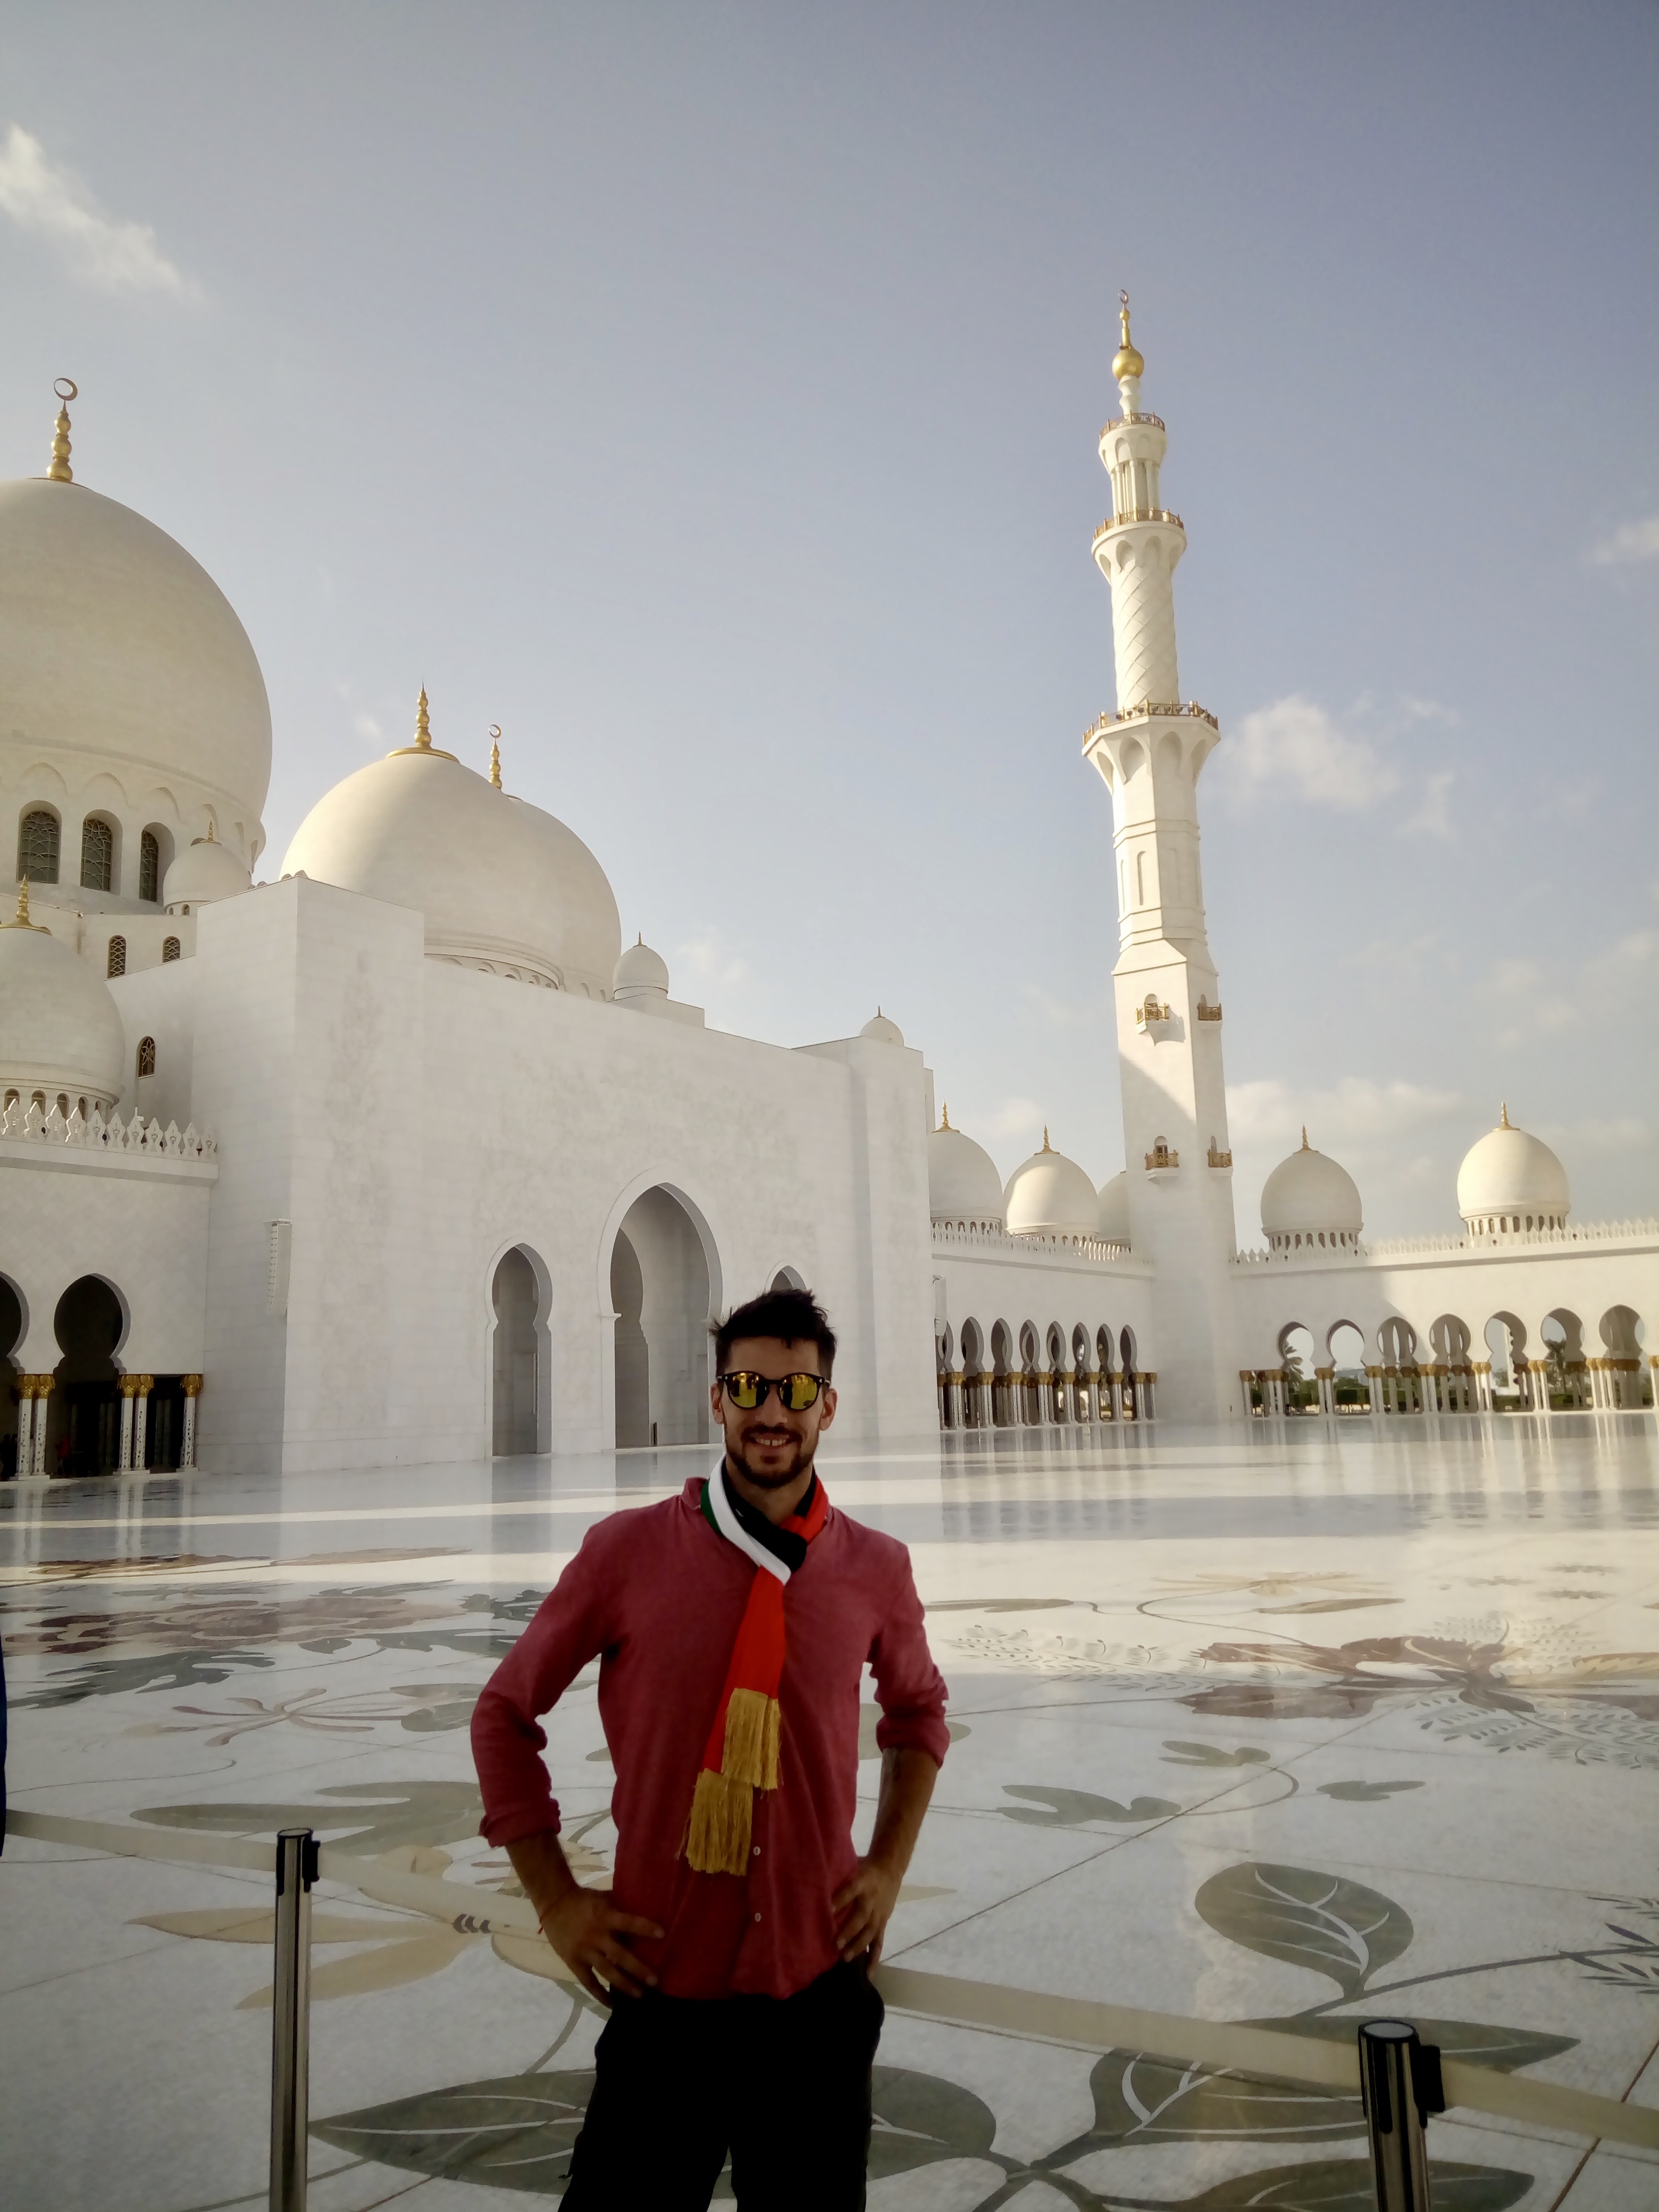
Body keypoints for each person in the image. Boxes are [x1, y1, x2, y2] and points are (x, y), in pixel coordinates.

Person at [472, 1285, 948, 2209]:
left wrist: (888, 1867)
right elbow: (503, 1715)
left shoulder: (875, 1568)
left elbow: (919, 1713)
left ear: (827, 1408)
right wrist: (556, 1900)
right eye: (749, 1387)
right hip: (666, 1999)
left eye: (796, 1392)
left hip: (814, 2000)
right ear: (717, 1398)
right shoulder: (627, 1554)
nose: (773, 1413)